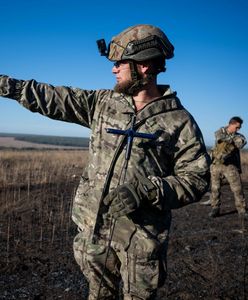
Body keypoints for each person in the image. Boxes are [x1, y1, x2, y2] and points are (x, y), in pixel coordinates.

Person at [0, 24, 210, 300]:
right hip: (94, 232)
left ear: (145, 65)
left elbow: (196, 178)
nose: (114, 69)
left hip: (141, 240)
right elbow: (51, 97)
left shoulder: (179, 122)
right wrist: (7, 85)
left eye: (120, 63)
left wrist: (146, 190)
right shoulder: (103, 103)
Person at [209, 116, 248, 219]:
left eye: (239, 128)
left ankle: (242, 210)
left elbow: (241, 143)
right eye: (237, 127)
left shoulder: (239, 136)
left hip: (231, 166)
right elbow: (220, 138)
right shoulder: (220, 131)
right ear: (231, 124)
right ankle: (215, 208)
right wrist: (232, 141)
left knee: (237, 188)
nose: (238, 130)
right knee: (215, 188)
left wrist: (233, 141)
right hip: (216, 164)